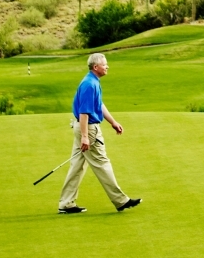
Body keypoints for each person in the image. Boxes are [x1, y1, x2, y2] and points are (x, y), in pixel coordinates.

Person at [58, 53, 141, 214]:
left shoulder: (92, 81)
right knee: (101, 163)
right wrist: (84, 136)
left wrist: (113, 122)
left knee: (77, 166)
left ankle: (66, 203)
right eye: (105, 64)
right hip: (88, 129)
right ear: (96, 67)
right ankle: (121, 200)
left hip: (83, 128)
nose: (107, 66)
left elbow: (99, 104)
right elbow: (84, 113)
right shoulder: (90, 84)